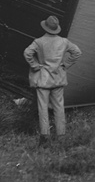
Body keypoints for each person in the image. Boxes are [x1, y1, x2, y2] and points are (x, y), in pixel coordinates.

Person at [23, 15, 82, 148]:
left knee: (42, 107)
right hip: (58, 78)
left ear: (45, 26)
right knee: (59, 107)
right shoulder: (64, 41)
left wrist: (35, 65)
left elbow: (27, 53)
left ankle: (45, 136)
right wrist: (65, 65)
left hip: (43, 78)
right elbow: (77, 52)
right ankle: (61, 136)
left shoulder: (39, 42)